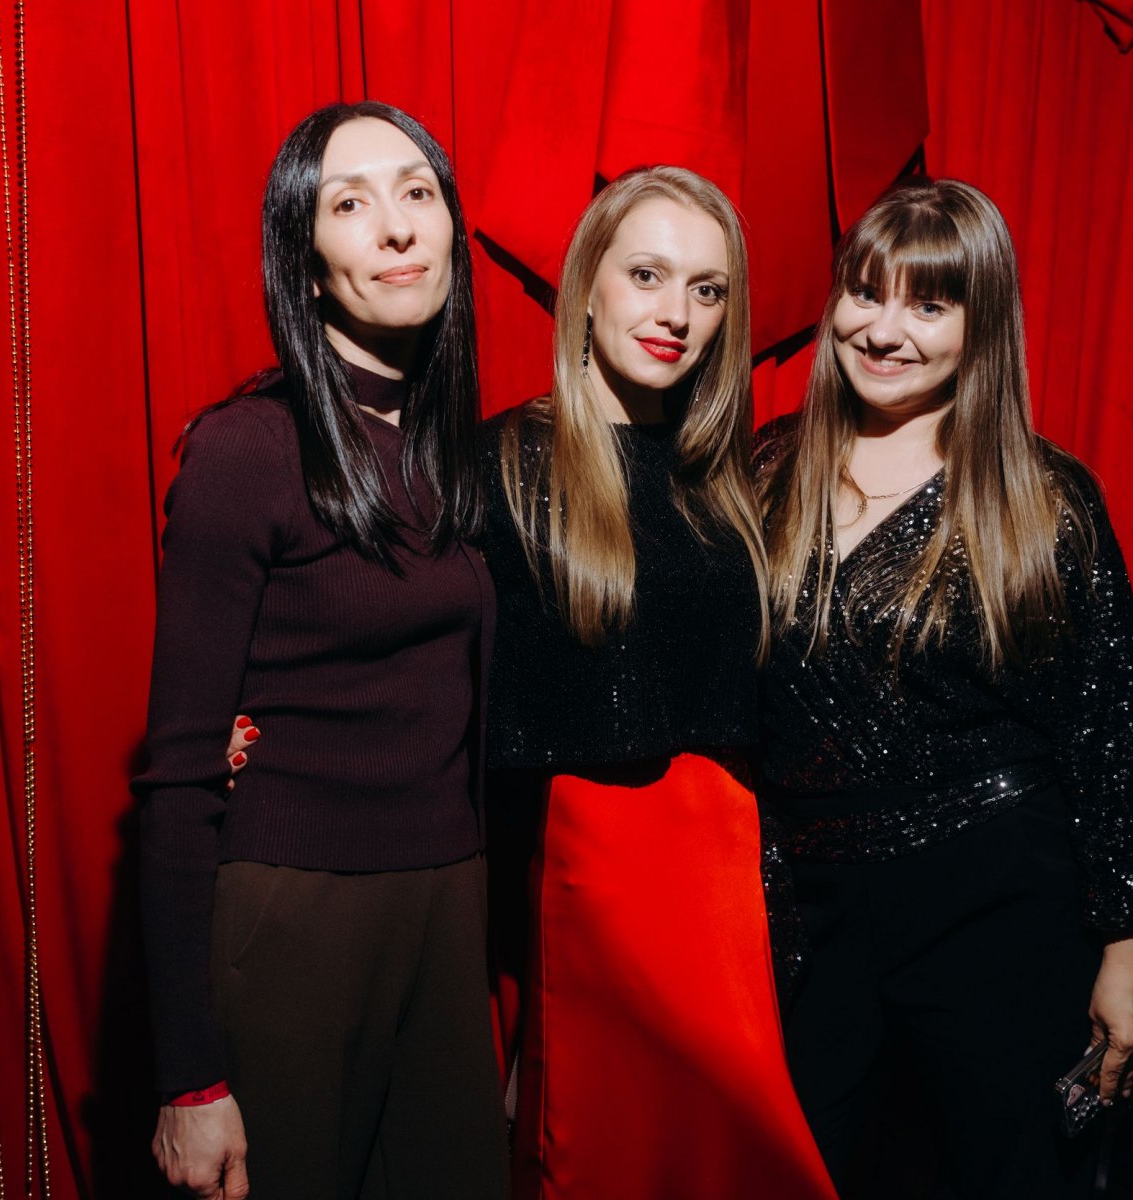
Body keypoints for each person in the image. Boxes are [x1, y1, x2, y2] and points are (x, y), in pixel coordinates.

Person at [753, 179, 1133, 1198]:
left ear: (979, 325)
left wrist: (1131, 951)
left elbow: (1111, 732)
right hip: (809, 913)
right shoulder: (767, 468)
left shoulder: (1041, 497)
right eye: (865, 293)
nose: (883, 330)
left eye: (928, 305)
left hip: (997, 904)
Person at [133, 101, 507, 1200]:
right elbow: (177, 774)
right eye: (350, 204)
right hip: (293, 919)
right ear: (303, 267)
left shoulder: (458, 456)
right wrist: (189, 1077)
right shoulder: (248, 451)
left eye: (418, 192)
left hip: (446, 909)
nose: (396, 226)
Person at [482, 166, 836, 1200]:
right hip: (593, 881)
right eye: (647, 275)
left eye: (707, 289)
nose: (676, 313)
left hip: (728, 882)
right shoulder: (502, 466)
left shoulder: (724, 481)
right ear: (586, 286)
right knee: (613, 1155)